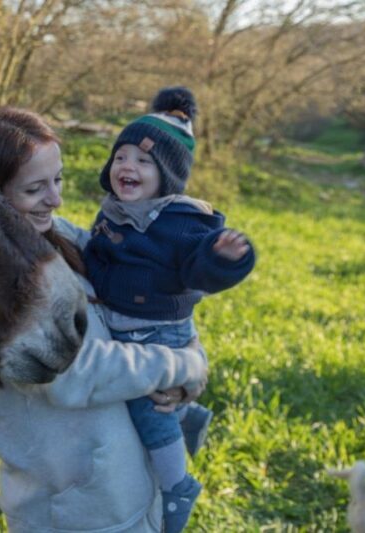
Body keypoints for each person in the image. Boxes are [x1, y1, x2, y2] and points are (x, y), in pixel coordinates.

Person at [0, 107, 209, 532]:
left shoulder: (60, 237)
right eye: (35, 189)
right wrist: (183, 366)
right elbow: (80, 373)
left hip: (130, 492)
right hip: (74, 514)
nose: (55, 199)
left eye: (56, 180)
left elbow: (150, 295)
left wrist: (187, 352)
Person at [82, 87, 255, 532]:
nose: (128, 168)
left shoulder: (182, 222)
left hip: (159, 332)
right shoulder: (114, 212)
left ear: (168, 176)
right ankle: (191, 419)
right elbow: (96, 256)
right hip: (124, 323)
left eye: (143, 162)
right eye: (121, 157)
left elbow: (200, 269)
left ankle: (177, 485)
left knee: (146, 408)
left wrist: (224, 256)